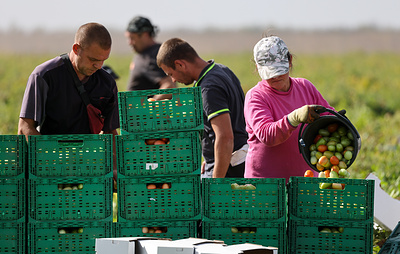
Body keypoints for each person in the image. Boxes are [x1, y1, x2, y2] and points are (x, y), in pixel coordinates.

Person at [18, 22, 120, 180]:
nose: (99, 66)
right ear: (76, 49)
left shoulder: (107, 83)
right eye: (93, 59)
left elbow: (110, 131)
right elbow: (25, 127)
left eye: (103, 60)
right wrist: (53, 162)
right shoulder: (44, 76)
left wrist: (114, 169)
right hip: (46, 167)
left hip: (87, 166)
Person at [244, 35, 334, 182]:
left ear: (290, 60)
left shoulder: (305, 87)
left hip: (305, 182)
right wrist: (294, 118)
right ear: (257, 68)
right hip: (265, 186)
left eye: (280, 71)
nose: (275, 77)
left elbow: (327, 115)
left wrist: (338, 121)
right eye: (270, 73)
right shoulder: (256, 97)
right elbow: (267, 135)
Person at [156, 38, 248, 178]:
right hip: (235, 161)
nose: (173, 80)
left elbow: (225, 137)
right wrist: (210, 158)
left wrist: (216, 182)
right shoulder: (222, 70)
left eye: (170, 74)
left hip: (228, 168)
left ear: (180, 64)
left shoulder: (208, 88)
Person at [125, 16, 175, 99]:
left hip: (147, 111)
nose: (130, 43)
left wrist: (151, 105)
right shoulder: (143, 54)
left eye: (132, 38)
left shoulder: (155, 55)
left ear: (145, 35)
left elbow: (169, 86)